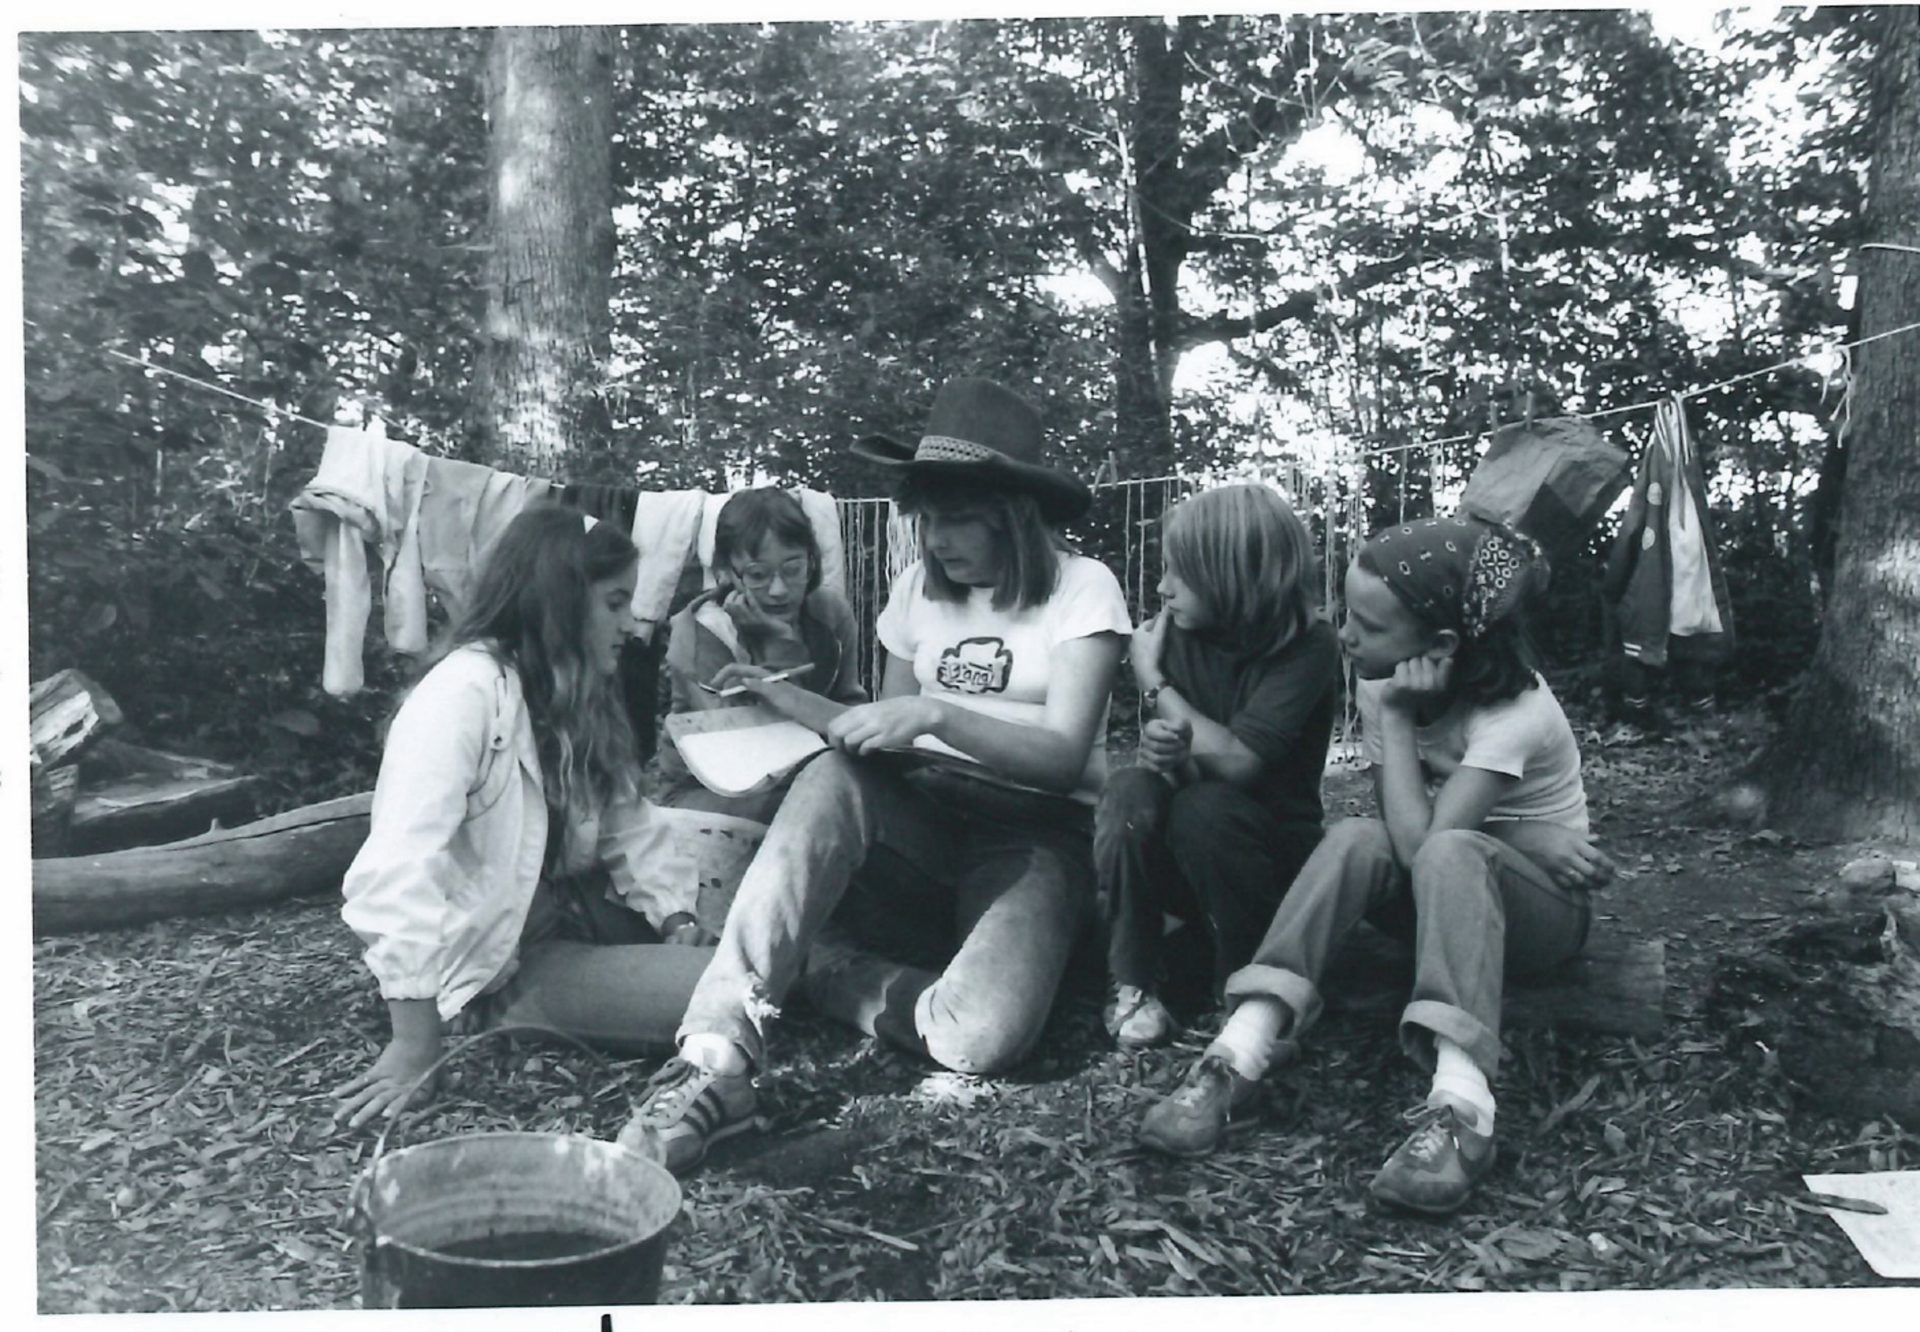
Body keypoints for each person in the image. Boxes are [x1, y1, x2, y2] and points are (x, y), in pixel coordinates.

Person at [615, 376, 1132, 1174]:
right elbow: (881, 741)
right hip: (919, 820)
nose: (939, 539)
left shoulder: (1083, 588)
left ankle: (820, 968)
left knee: (978, 1040)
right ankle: (717, 1055)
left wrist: (938, 713)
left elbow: (1064, 756)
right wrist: (782, 697)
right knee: (832, 776)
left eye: (960, 518)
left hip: (1033, 832)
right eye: (928, 517)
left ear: (1014, 513)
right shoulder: (917, 589)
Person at [1137, 515, 1616, 1216]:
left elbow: (1429, 849)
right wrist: (1518, 831)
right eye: (1347, 612)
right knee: (1359, 835)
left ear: (1442, 644)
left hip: (1541, 915)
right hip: (1452, 882)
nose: (1346, 634)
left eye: (1369, 625)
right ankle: (1241, 1048)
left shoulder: (1516, 712)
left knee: (1447, 849)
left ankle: (1464, 1108)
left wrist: (1399, 727)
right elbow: (1399, 832)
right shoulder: (1383, 676)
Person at [332, 506, 711, 1128]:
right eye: (615, 603)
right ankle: (504, 1010)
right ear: (560, 600)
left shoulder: (577, 687)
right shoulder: (461, 694)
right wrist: (414, 1042)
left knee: (755, 940)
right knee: (734, 993)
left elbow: (628, 822)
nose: (630, 624)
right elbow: (397, 867)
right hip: (504, 958)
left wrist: (674, 913)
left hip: (577, 912)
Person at [1093, 483, 1340, 1049]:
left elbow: (1239, 762)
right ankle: (1131, 978)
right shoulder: (1175, 632)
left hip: (1273, 863)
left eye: (1179, 573)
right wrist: (1163, 758)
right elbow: (1174, 766)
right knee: (1130, 790)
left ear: (1233, 574)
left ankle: (1244, 990)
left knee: (1206, 809)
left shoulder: (1308, 645)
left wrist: (1153, 683)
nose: (1161, 588)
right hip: (1190, 849)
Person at [638, 488, 870, 945]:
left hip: (810, 772)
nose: (779, 589)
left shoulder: (830, 615)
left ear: (812, 561)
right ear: (728, 572)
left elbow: (852, 705)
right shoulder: (698, 631)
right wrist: (778, 647)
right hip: (708, 788)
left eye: (793, 569)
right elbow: (747, 752)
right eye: (759, 575)